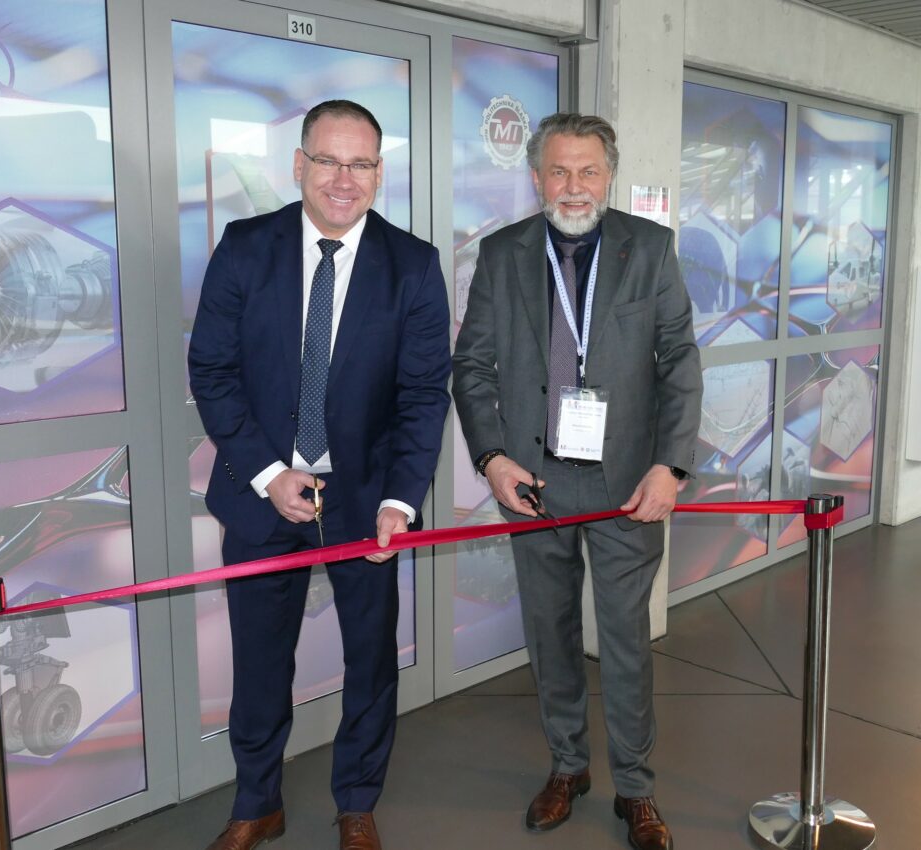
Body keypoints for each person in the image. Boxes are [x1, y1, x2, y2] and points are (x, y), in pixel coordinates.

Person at [189, 99, 451, 850]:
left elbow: (423, 394)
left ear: (379, 172)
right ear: (299, 165)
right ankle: (256, 804)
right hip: (261, 496)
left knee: (371, 659)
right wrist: (268, 473)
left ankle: (357, 803)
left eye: (361, 163)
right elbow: (212, 371)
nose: (344, 179)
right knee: (259, 661)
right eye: (329, 161)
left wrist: (401, 499)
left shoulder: (413, 264)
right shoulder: (246, 247)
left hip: (366, 502)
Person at [452, 113, 702, 850]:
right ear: (536, 177)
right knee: (550, 635)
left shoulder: (649, 247)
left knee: (625, 641)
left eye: (588, 170)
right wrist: (492, 459)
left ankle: (636, 787)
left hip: (629, 485)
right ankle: (567, 767)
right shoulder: (502, 252)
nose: (574, 185)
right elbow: (472, 366)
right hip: (532, 482)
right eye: (558, 170)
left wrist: (671, 465)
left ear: (609, 174)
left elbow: (678, 361)